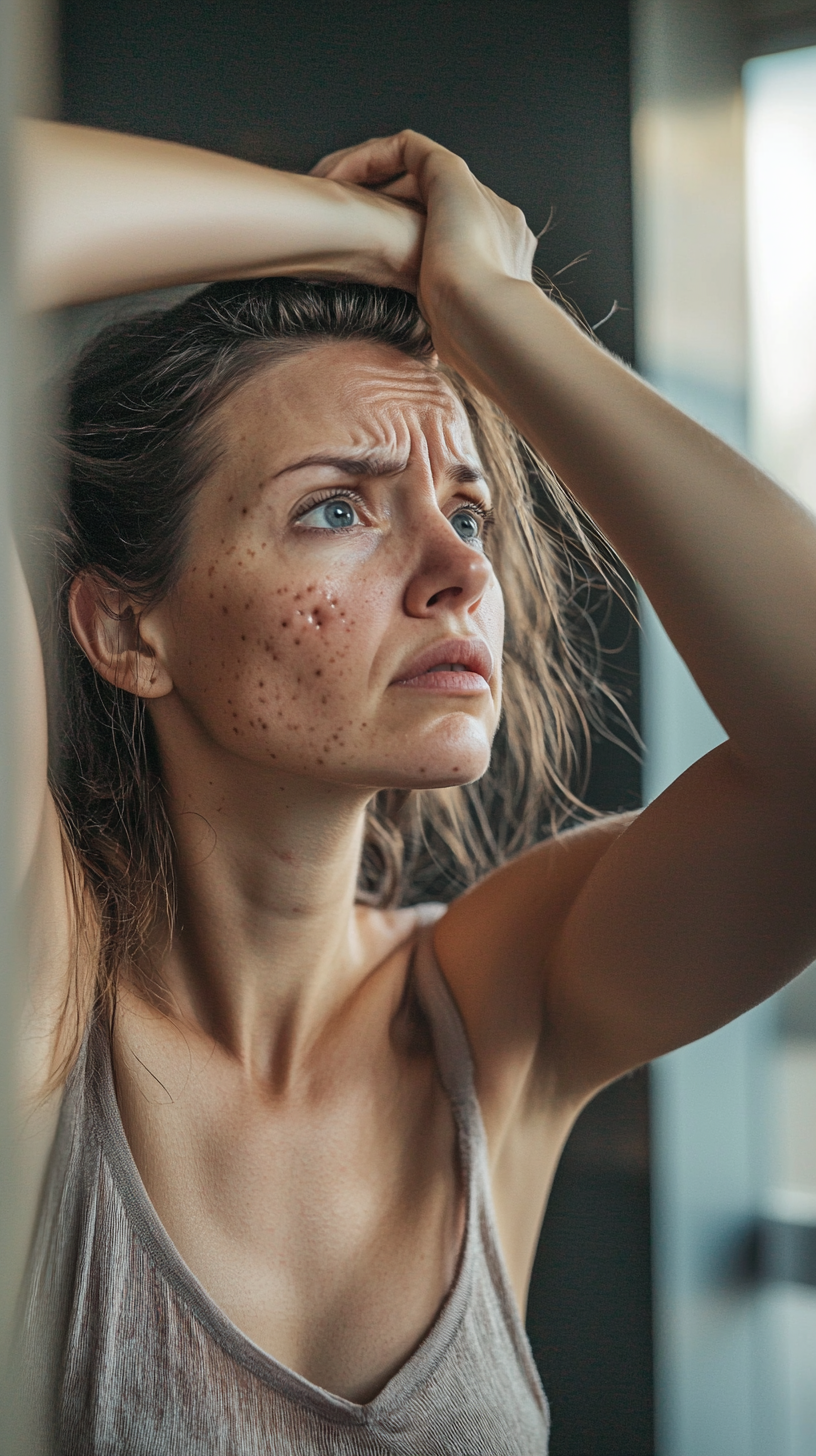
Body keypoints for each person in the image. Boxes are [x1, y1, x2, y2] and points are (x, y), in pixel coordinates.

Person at [15, 120, 816, 1454]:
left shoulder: (501, 1010)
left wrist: (498, 310)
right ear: (124, 632)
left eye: (472, 509)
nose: (460, 571)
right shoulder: (36, 991)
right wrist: (378, 238)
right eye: (336, 506)